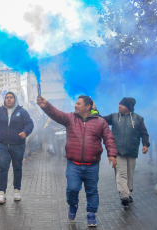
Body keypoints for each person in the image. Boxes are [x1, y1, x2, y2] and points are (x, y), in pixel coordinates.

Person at [37, 95, 117, 227]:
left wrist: (112, 154)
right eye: (76, 103)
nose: (75, 106)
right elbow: (55, 114)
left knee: (92, 191)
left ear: (88, 106)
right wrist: (45, 105)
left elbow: (109, 138)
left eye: (79, 104)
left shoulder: (100, 122)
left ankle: (91, 213)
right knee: (72, 189)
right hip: (73, 164)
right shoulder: (70, 118)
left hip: (92, 164)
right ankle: (73, 205)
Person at [100, 97, 150, 207]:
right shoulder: (113, 117)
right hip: (117, 152)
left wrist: (145, 145)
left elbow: (144, 133)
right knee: (121, 173)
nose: (119, 106)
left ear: (129, 107)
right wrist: (94, 110)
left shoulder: (138, 119)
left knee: (130, 174)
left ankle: (129, 192)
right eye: (119, 104)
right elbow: (100, 119)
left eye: (122, 105)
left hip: (132, 151)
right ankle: (124, 195)